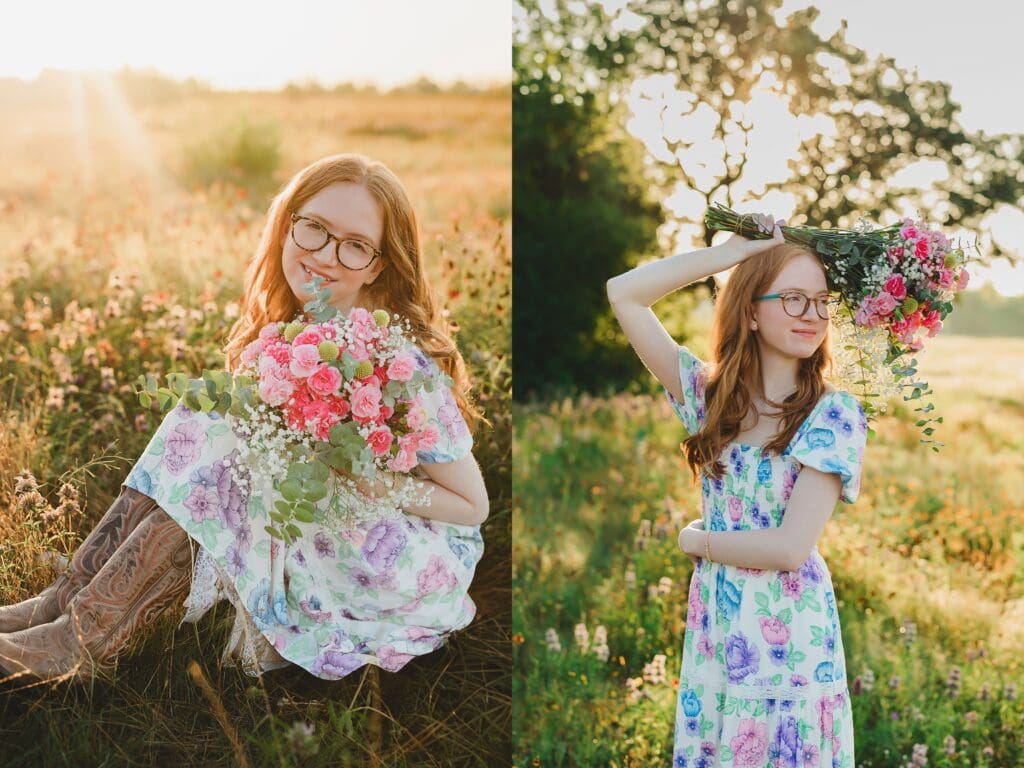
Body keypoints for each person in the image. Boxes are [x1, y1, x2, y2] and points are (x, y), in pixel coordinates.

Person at [0, 153, 491, 683]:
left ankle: (83, 643)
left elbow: (472, 506)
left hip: (390, 559)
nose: (326, 255)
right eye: (315, 229)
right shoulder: (300, 328)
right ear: (287, 226)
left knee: (227, 445)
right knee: (205, 415)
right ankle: (68, 600)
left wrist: (375, 483)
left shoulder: (396, 364)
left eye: (354, 245)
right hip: (312, 516)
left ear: (376, 264)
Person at [607, 213, 867, 766]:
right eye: (793, 299)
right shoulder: (707, 396)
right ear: (751, 310)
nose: (812, 315)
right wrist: (731, 255)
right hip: (718, 625)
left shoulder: (834, 413)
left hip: (792, 636)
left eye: (821, 301)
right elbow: (624, 294)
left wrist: (697, 543)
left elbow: (788, 548)